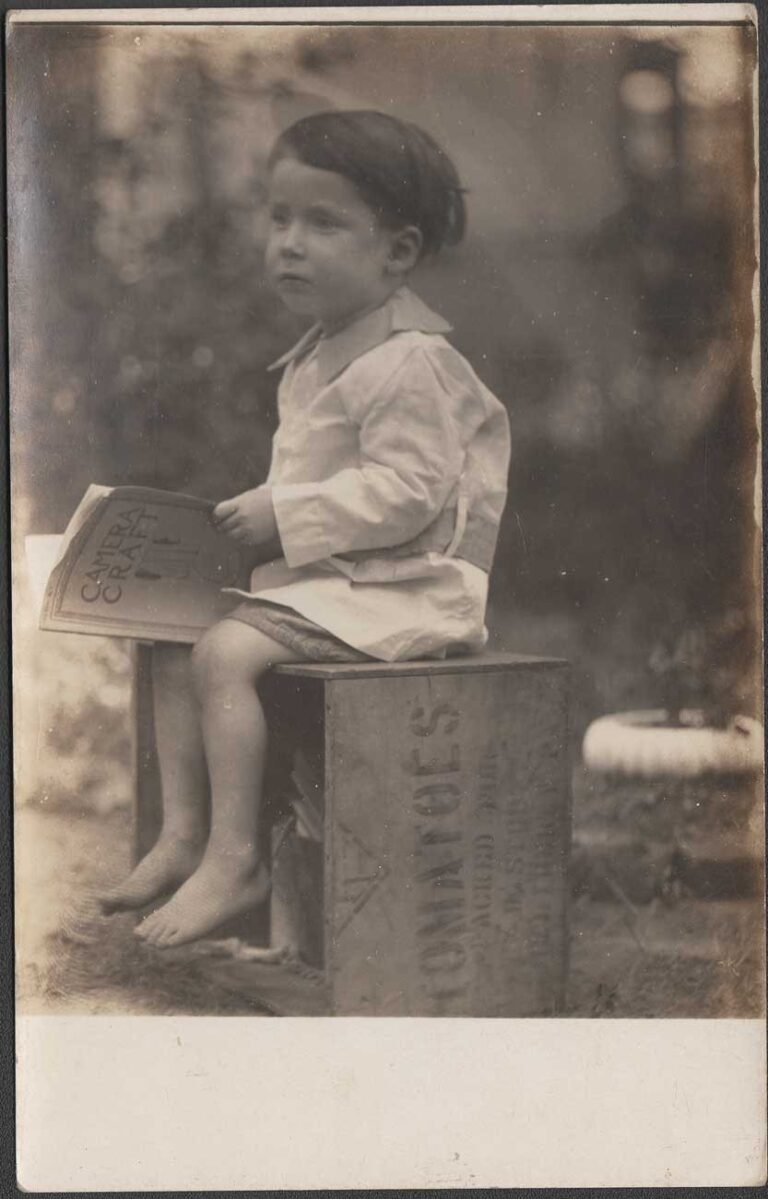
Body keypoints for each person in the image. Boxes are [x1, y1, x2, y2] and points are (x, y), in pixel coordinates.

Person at [99, 110, 511, 948]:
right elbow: (320, 476)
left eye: (322, 223)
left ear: (397, 252)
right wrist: (254, 517)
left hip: (412, 590)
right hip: (346, 581)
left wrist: (282, 515)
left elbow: (409, 490)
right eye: (279, 217)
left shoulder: (412, 363)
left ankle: (235, 856)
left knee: (225, 649)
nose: (288, 242)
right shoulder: (328, 351)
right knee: (170, 632)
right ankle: (184, 833)